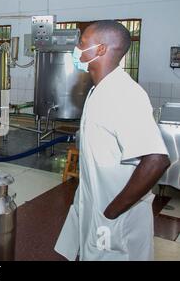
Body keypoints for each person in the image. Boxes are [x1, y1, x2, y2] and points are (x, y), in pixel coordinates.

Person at [54, 20, 170, 261]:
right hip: (94, 203)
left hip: (116, 218)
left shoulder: (123, 93)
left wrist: (111, 211)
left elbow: (157, 159)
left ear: (101, 49)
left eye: (82, 42)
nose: (77, 48)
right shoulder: (99, 90)